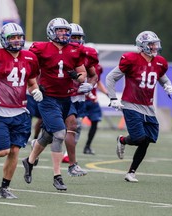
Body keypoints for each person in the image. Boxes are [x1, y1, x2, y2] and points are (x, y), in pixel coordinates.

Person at [0, 23, 42, 199]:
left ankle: (4, 188)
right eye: (13, 37)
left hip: (20, 112)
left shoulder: (30, 57)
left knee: (14, 152)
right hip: (0, 112)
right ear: (4, 39)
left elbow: (32, 81)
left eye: (19, 36)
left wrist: (36, 91)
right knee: (1, 151)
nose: (17, 40)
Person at [22, 18, 91, 191]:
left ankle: (29, 162)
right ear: (52, 31)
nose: (64, 34)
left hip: (66, 99)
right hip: (48, 98)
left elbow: (83, 73)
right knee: (60, 134)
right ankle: (57, 176)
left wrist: (77, 77)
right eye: (60, 31)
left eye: (66, 31)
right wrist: (36, 86)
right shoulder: (40, 48)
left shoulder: (75, 50)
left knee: (48, 135)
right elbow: (28, 69)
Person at [106, 30, 172, 182]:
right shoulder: (131, 59)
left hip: (148, 107)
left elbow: (162, 78)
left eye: (156, 43)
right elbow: (111, 78)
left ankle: (131, 172)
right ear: (142, 46)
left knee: (148, 139)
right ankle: (123, 140)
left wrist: (168, 85)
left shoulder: (160, 62)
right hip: (131, 104)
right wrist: (113, 98)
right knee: (138, 138)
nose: (155, 47)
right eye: (151, 44)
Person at [58, 24, 98, 176]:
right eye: (73, 37)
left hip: (78, 97)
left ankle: (70, 159)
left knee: (75, 126)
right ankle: (38, 145)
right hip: (62, 96)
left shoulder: (87, 53)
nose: (76, 40)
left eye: (78, 38)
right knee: (55, 131)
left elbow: (93, 75)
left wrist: (89, 85)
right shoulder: (60, 52)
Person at [81, 43, 108, 155]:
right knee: (74, 124)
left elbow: (98, 82)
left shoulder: (98, 67)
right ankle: (66, 151)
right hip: (80, 99)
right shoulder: (79, 64)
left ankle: (87, 146)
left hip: (92, 100)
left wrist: (107, 93)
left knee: (95, 121)